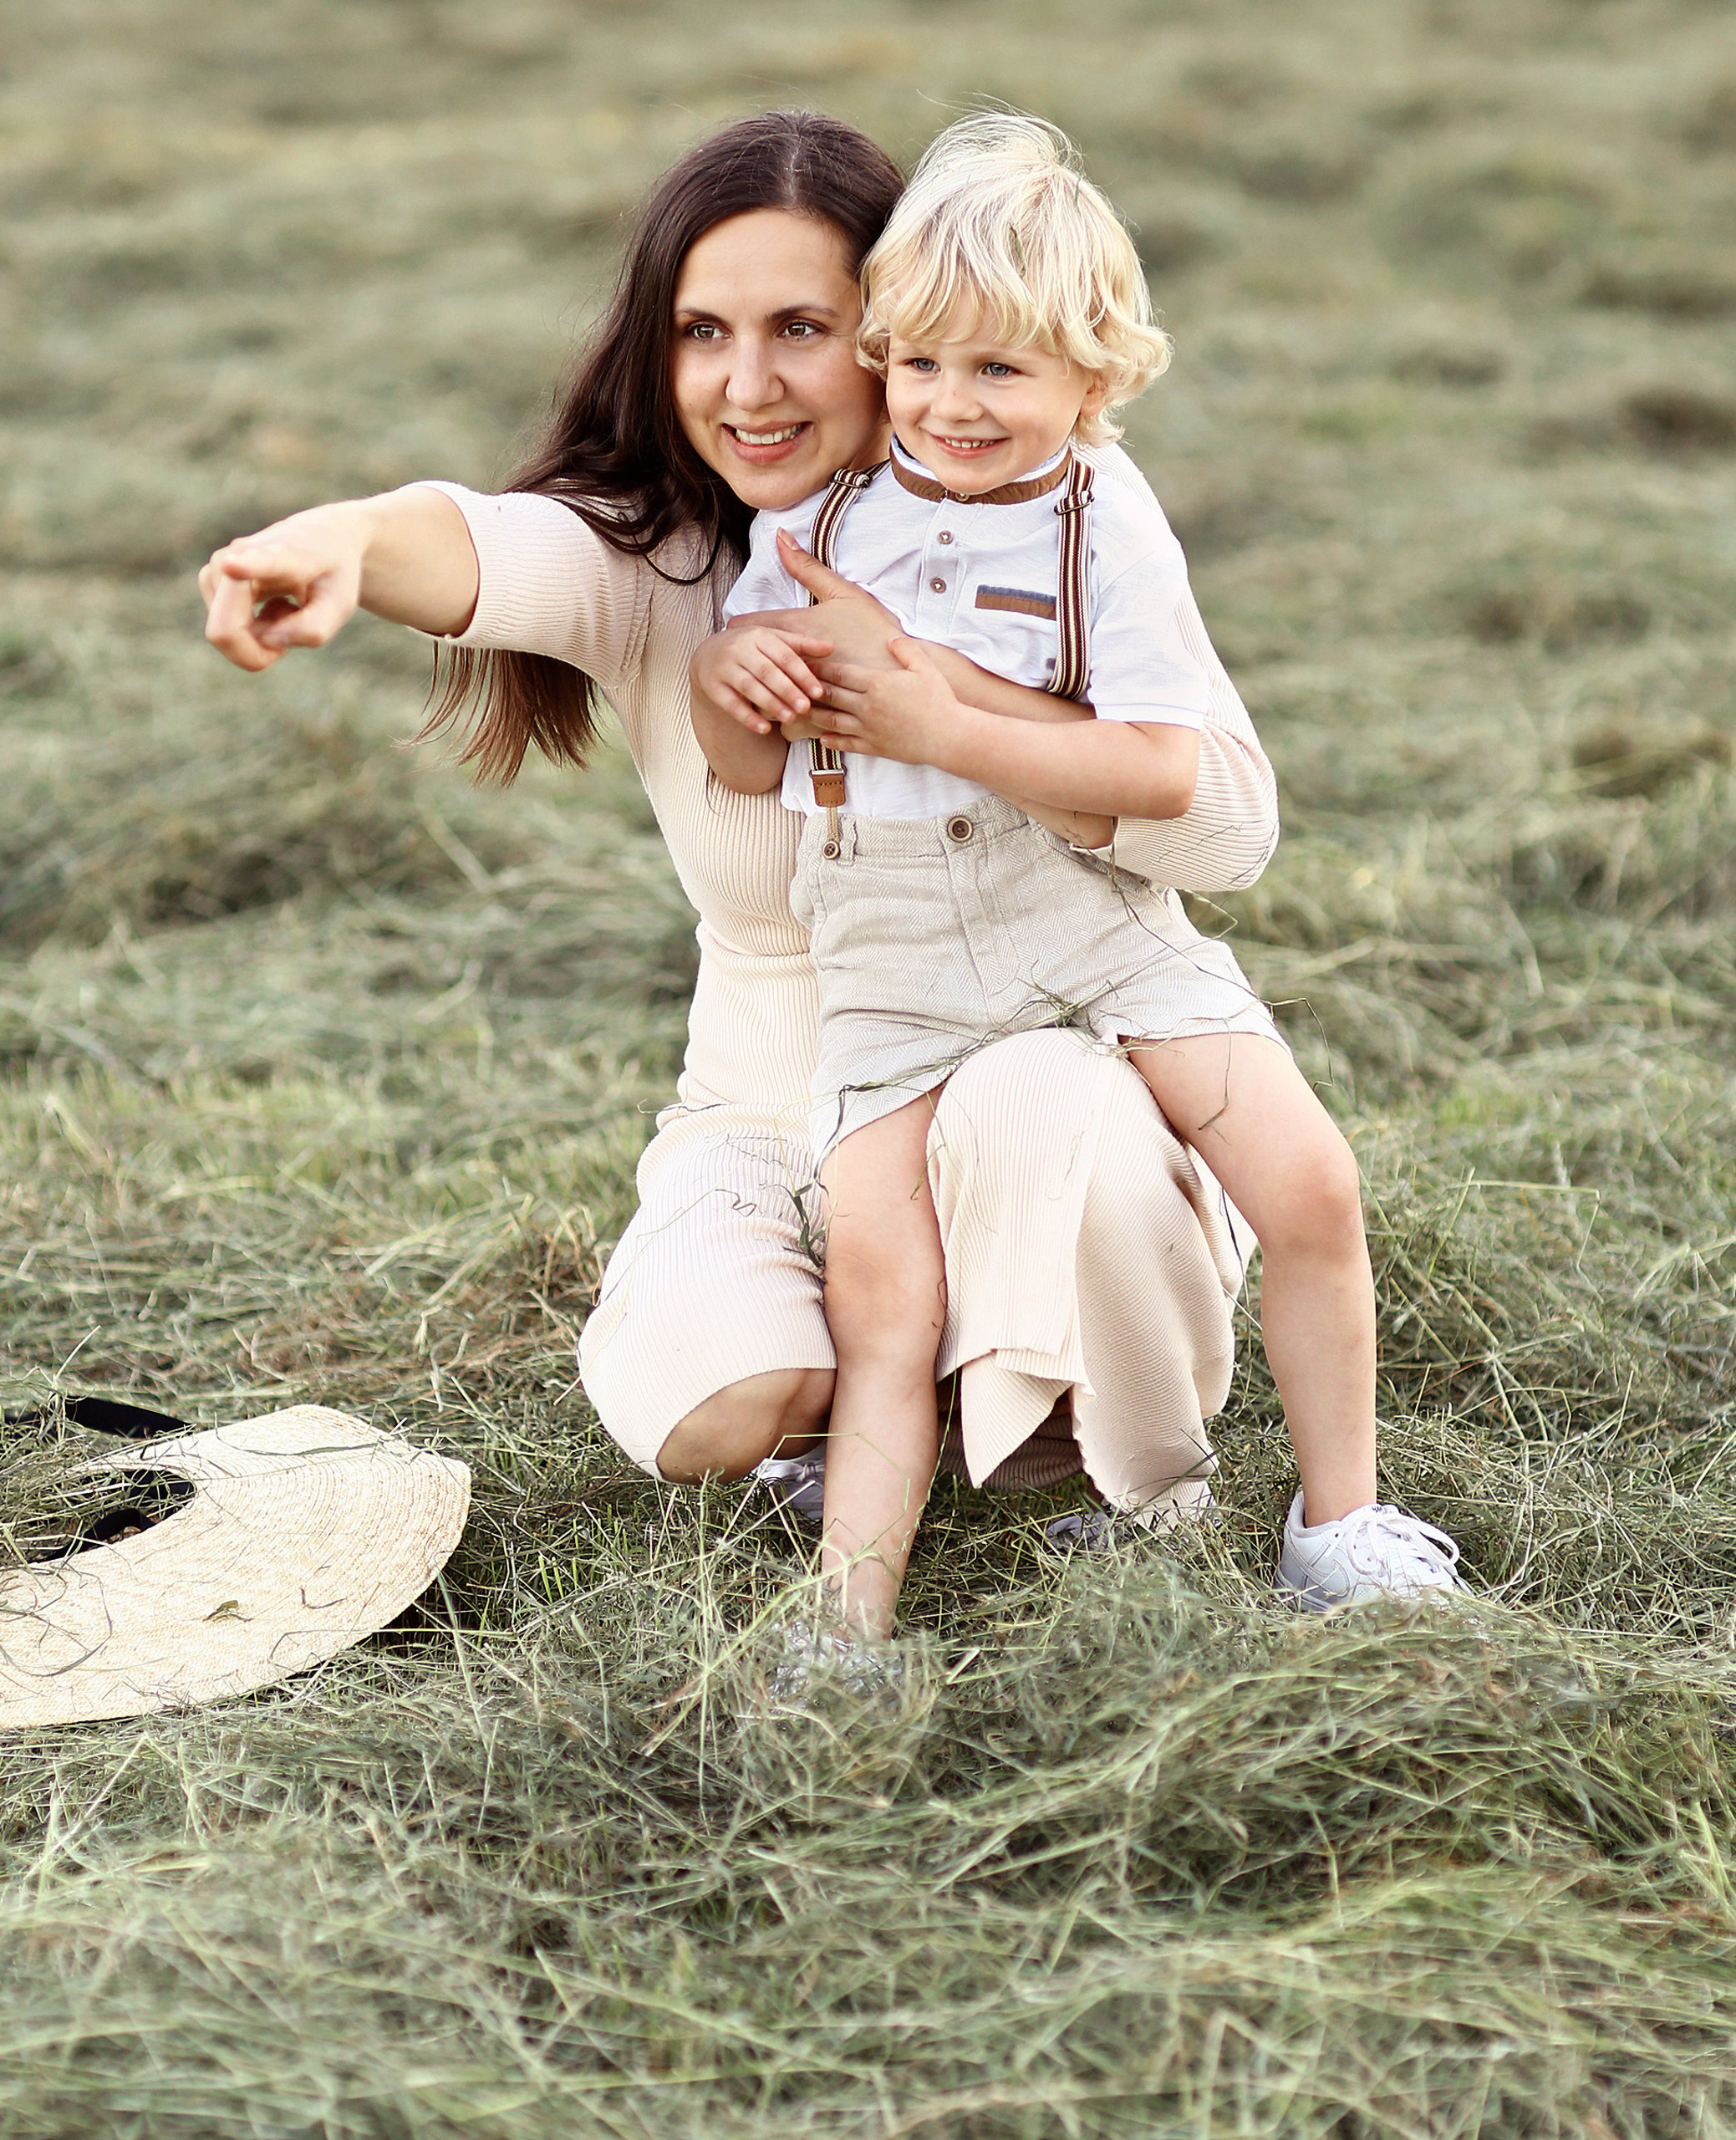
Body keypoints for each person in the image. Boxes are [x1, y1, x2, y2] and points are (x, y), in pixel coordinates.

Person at [198, 111, 1285, 1653]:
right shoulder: (667, 565)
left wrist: (949, 709)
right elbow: (482, 540)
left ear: (901, 330)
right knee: (725, 1400)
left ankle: (1103, 1440)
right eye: (703, 332)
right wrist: (334, 540)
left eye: (801, 330)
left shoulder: (1056, 520)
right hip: (774, 1109)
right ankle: (887, 1381)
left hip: (1044, 1066)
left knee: (1035, 1107)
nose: (747, 383)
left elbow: (1226, 825)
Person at [690, 115, 1465, 1636]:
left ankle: (1342, 1520)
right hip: (888, 934)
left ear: (1092, 382)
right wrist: (733, 670)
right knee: (883, 1297)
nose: (951, 407)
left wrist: (945, 720)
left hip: (1087, 913)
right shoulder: (822, 517)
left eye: (1003, 371)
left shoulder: (1103, 516)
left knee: (1312, 1184)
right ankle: (849, 1636)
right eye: (920, 365)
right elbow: (748, 759)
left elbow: (1166, 774)